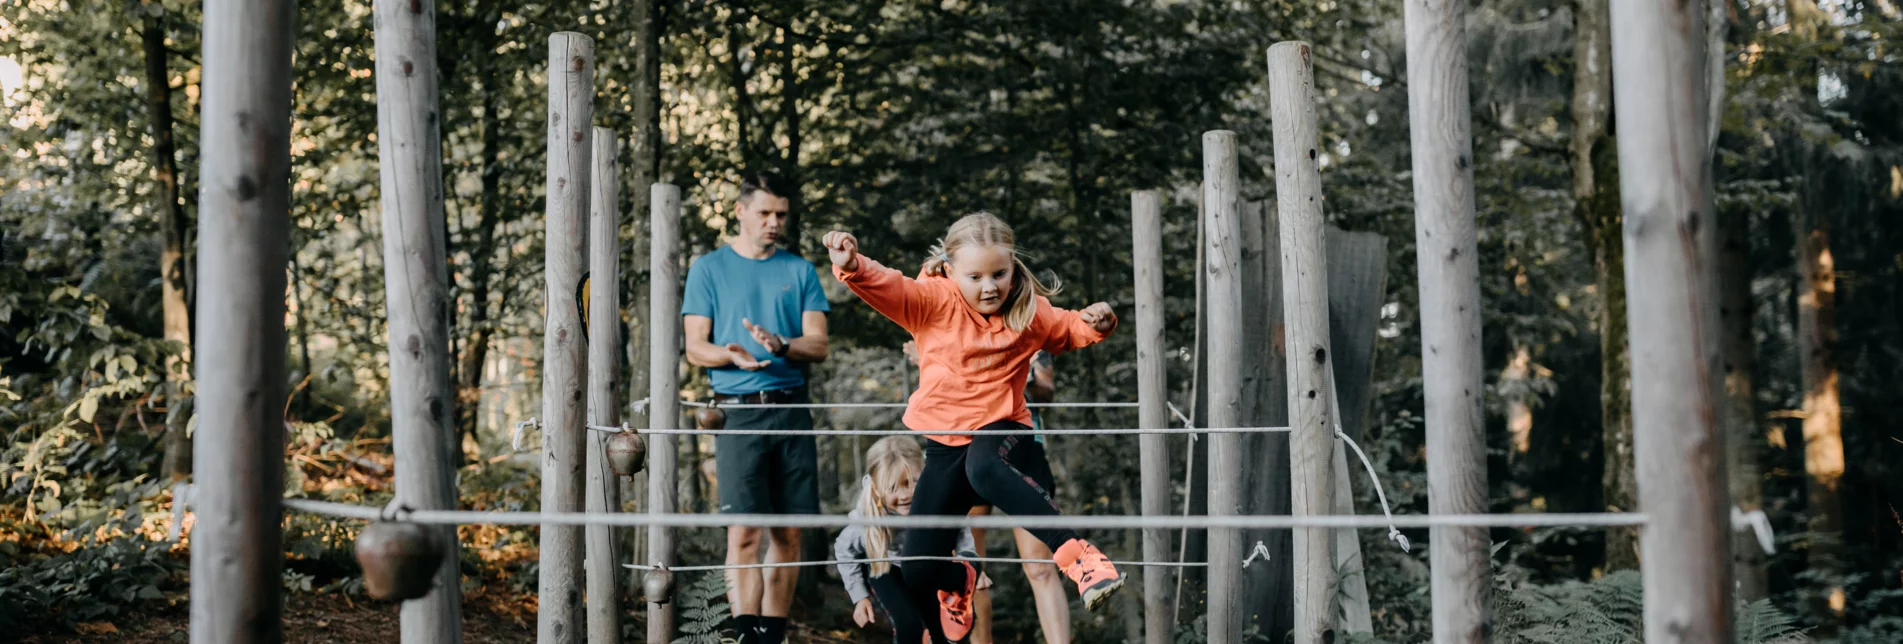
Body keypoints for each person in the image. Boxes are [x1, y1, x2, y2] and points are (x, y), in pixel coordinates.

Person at [824, 212, 1123, 642]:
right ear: (949, 270)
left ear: (1013, 268)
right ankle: (960, 581)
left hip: (1004, 432)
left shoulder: (1027, 309)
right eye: (976, 276)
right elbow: (889, 286)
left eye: (999, 274)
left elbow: (1066, 328)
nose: (989, 287)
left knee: (983, 467)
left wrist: (1095, 324)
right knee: (917, 568)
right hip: (946, 446)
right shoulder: (932, 302)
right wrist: (852, 265)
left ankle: (1082, 559)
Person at [681, 173, 831, 644]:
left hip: (790, 409)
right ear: (740, 211)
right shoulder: (708, 268)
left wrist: (782, 345)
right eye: (764, 213)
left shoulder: (800, 270)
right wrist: (731, 354)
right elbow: (694, 348)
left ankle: (773, 634)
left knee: (789, 533)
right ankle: (746, 635)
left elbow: (820, 344)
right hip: (737, 411)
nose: (773, 223)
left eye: (781, 215)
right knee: (743, 533)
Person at [905, 345, 1072, 644]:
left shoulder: (1029, 329)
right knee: (972, 569)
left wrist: (1022, 372)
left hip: (1022, 445)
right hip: (965, 446)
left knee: (1040, 568)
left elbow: (1046, 391)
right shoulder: (952, 326)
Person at [835, 436, 985, 644]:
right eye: (894, 488)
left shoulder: (935, 500)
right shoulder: (866, 519)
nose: (905, 495)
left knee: (944, 631)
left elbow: (959, 528)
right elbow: (844, 550)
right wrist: (859, 596)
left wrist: (970, 564)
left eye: (913, 483)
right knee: (908, 625)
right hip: (886, 569)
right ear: (877, 490)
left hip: (926, 567)